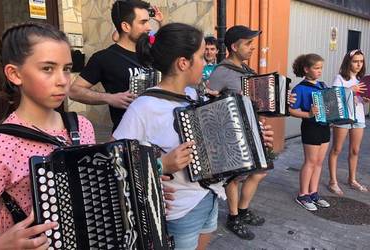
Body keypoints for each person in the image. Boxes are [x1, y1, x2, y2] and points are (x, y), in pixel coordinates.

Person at [113, 22, 274, 249]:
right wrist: (160, 165)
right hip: (179, 210)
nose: (206, 62)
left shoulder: (193, 94)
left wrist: (254, 138)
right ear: (183, 63)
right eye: (201, 56)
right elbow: (114, 165)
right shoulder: (144, 107)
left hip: (209, 197)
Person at [0, 22, 95, 249]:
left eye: (66, 68)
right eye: (48, 68)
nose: (62, 80)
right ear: (15, 74)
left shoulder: (83, 126)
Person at [208, 25, 268, 240]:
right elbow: (207, 102)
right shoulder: (222, 71)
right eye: (248, 44)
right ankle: (234, 217)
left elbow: (259, 103)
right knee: (234, 177)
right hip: (231, 132)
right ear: (234, 46)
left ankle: (243, 210)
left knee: (260, 171)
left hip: (252, 129)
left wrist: (278, 103)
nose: (252, 48)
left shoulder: (248, 72)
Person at [69, 0, 162, 131]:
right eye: (143, 22)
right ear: (126, 27)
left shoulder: (151, 53)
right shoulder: (104, 58)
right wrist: (109, 98)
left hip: (160, 133)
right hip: (128, 139)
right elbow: (74, 91)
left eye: (148, 21)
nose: (149, 27)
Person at [289, 53, 331, 211]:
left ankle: (313, 193)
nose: (320, 71)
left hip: (324, 127)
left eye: (321, 68)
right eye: (316, 68)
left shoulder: (323, 86)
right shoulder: (300, 88)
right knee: (310, 162)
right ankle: (302, 195)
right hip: (310, 127)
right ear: (306, 69)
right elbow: (291, 110)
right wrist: (308, 114)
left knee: (319, 162)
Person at [328, 49, 369, 195]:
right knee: (337, 149)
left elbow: (359, 99)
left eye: (361, 61)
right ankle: (333, 181)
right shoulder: (340, 78)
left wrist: (364, 99)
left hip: (358, 117)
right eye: (355, 61)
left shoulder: (362, 80)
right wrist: (351, 89)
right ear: (348, 62)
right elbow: (333, 97)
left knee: (355, 150)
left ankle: (352, 180)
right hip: (343, 117)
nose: (359, 64)